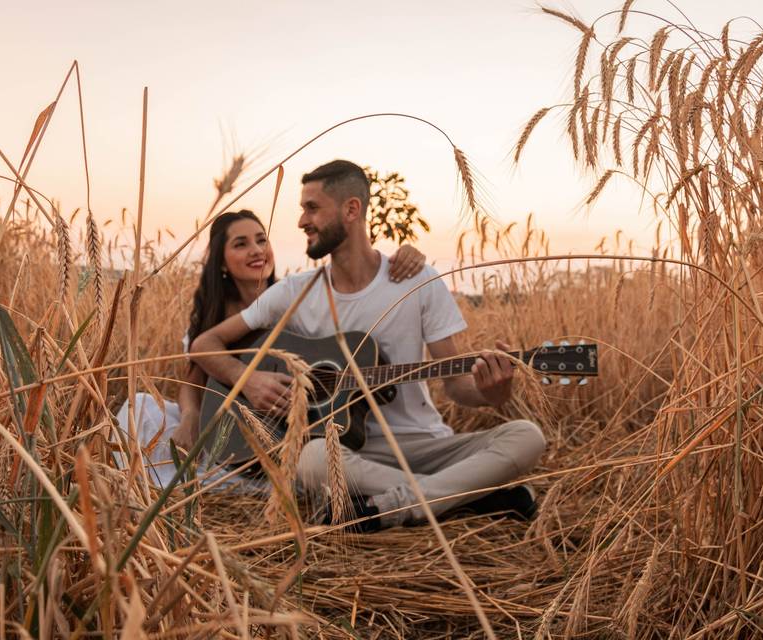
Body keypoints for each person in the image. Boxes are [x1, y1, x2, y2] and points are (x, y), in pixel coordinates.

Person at [190, 161, 547, 530]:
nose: (301, 221)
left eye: (312, 207)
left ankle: (395, 504)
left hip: (424, 444)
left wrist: (494, 392)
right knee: (311, 458)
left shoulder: (417, 281)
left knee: (526, 436)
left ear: (351, 210)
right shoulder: (295, 293)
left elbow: (458, 386)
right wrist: (248, 379)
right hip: (351, 453)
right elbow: (204, 344)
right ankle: (472, 497)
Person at [115, 209, 427, 488]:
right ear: (221, 262)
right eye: (241, 244)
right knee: (139, 409)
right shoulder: (215, 317)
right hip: (224, 424)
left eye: (261, 240)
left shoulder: (296, 300)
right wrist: (191, 417)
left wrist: (400, 257)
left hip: (281, 433)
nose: (256, 251)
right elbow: (193, 380)